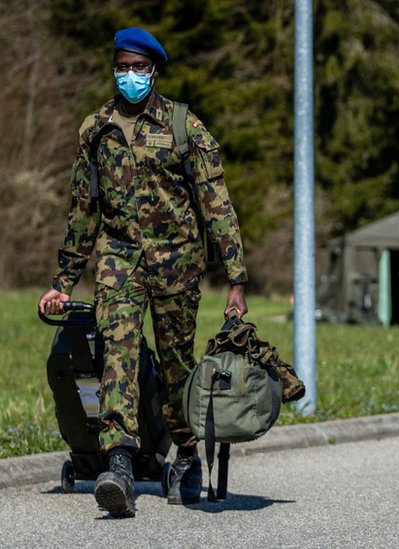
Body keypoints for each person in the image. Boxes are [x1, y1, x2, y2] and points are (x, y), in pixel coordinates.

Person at [37, 27, 248, 518]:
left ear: (154, 70)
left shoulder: (183, 126)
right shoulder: (97, 128)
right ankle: (119, 465)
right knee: (118, 352)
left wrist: (236, 279)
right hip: (119, 262)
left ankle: (186, 456)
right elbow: (83, 211)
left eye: (138, 67)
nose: (129, 75)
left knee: (176, 367)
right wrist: (62, 282)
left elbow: (217, 205)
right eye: (122, 66)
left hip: (177, 265)